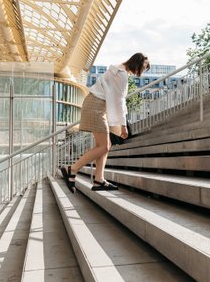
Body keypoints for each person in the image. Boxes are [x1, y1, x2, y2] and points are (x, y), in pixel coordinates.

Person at [61, 52, 150, 193]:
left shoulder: (118, 69)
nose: (141, 72)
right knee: (104, 146)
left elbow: (114, 98)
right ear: (137, 63)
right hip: (96, 106)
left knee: (104, 145)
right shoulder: (121, 75)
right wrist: (123, 125)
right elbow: (119, 101)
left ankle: (99, 180)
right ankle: (72, 169)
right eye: (143, 68)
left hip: (95, 105)